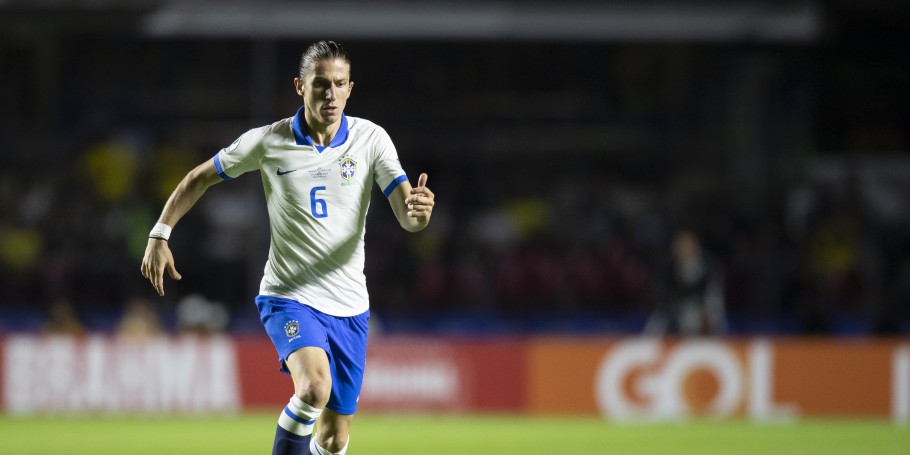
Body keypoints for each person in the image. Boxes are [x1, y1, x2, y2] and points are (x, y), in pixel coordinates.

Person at [140, 40, 434, 455]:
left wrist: (419, 213)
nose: (330, 94)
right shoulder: (268, 141)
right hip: (288, 295)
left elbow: (408, 217)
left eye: (339, 84)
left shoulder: (372, 139)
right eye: (320, 84)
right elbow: (198, 178)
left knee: (333, 438)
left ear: (351, 88)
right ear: (300, 86)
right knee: (314, 388)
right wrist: (160, 233)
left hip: (350, 305)